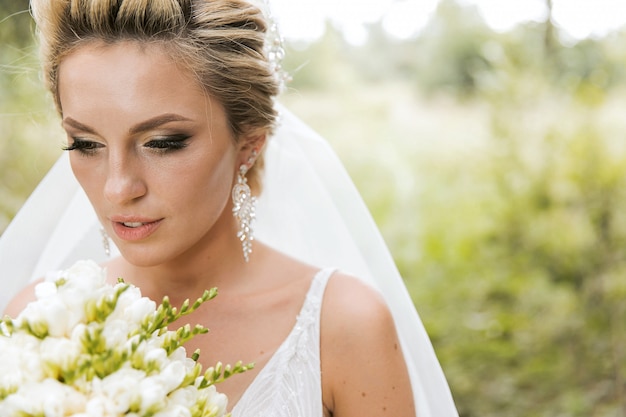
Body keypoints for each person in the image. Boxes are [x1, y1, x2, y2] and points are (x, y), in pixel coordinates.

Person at [0, 0, 458, 416]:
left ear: (249, 144)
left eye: (163, 143)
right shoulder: (39, 322)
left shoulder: (343, 327)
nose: (118, 188)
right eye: (86, 143)